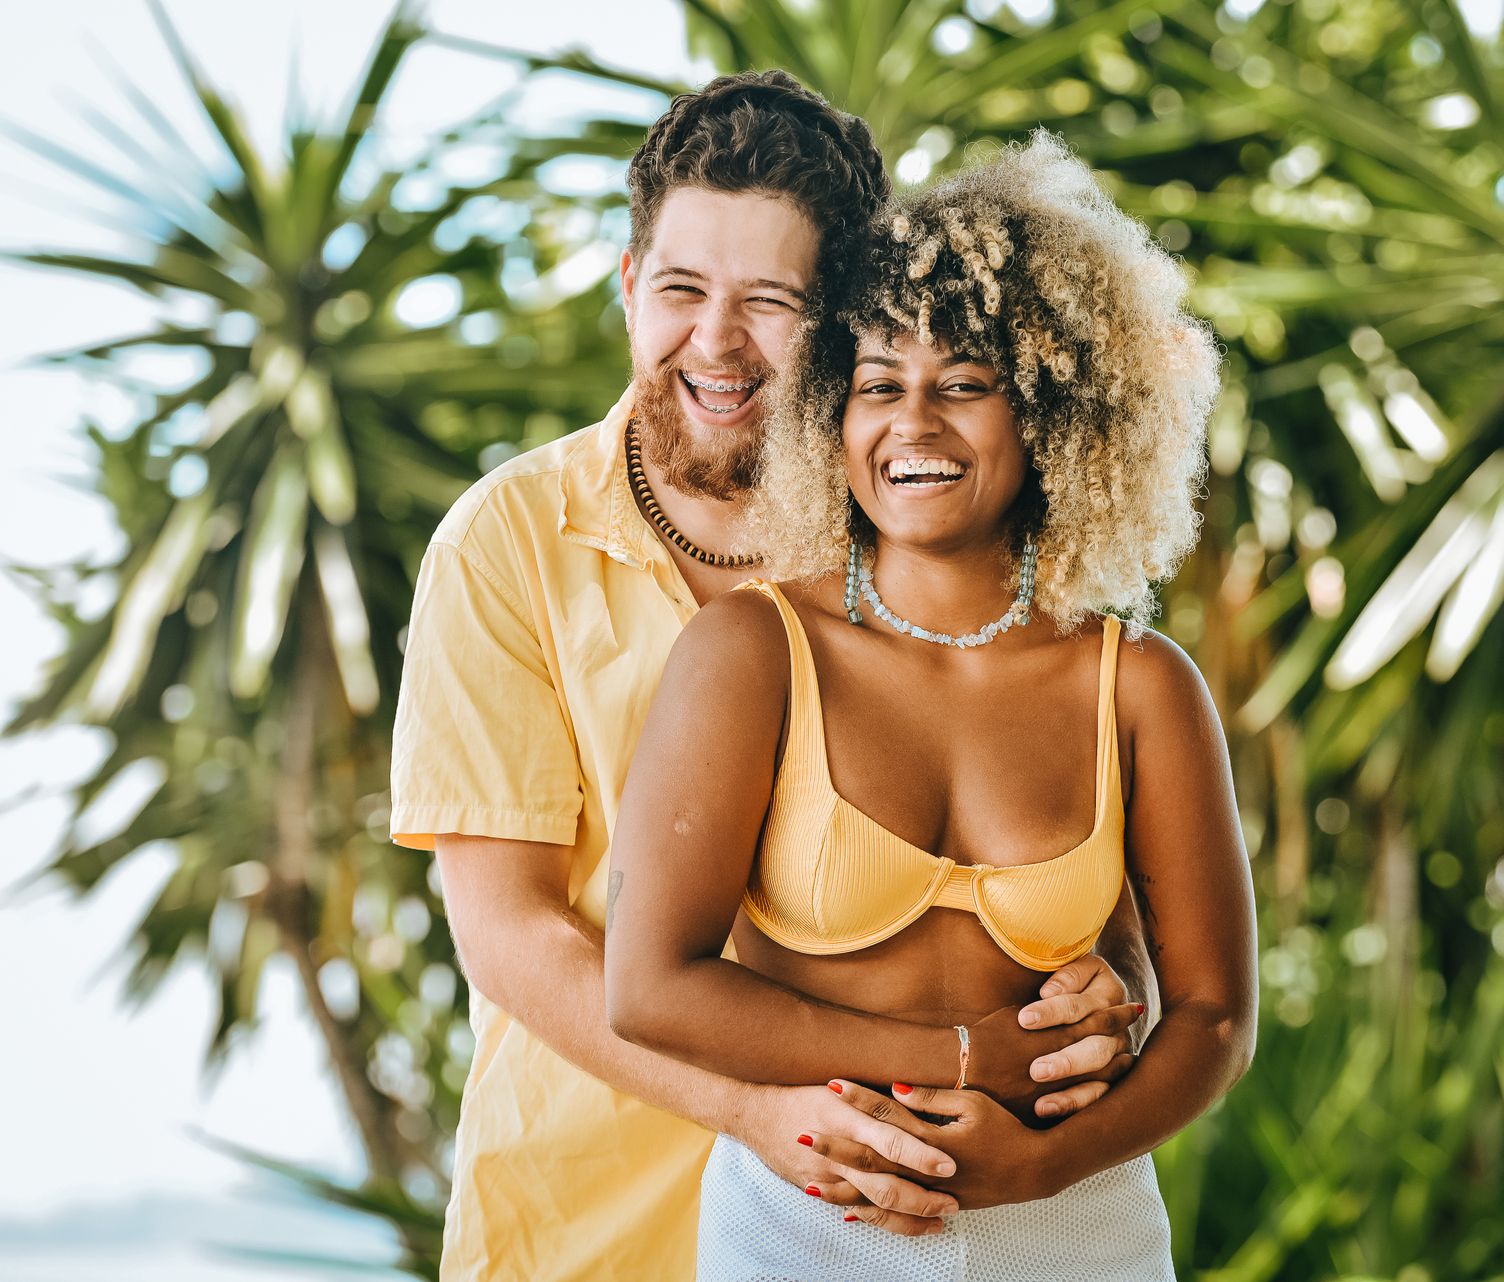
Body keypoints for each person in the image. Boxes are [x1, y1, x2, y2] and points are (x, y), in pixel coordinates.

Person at [389, 76, 1146, 1282]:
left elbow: (1081, 846)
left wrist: (1113, 995)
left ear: (846, 318)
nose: (716, 343)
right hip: (582, 1234)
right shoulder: (504, 542)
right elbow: (509, 931)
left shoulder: (917, 534)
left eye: (771, 303)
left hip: (878, 1235)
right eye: (682, 289)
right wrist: (750, 1109)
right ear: (631, 285)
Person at [603, 134, 1257, 1279]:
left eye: (964, 385)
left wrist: (1041, 1168)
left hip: (1079, 1225)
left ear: (1053, 414)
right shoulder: (758, 652)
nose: (915, 424)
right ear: (828, 414)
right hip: (812, 1221)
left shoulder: (1141, 684)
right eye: (876, 385)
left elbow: (1212, 1018)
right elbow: (649, 984)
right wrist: (957, 1053)